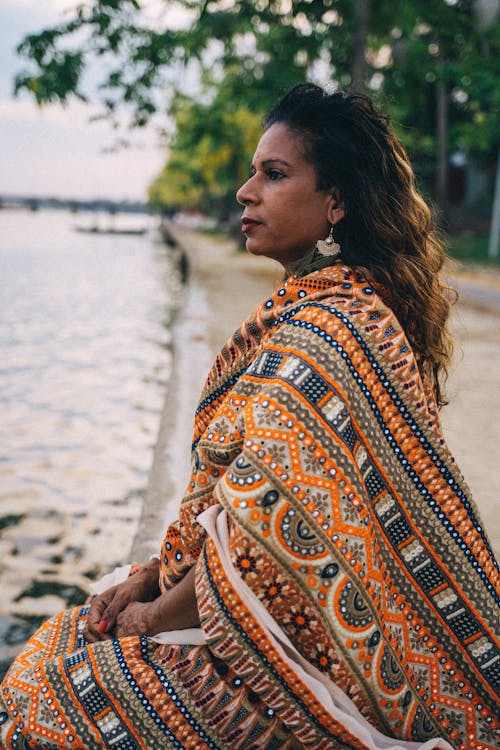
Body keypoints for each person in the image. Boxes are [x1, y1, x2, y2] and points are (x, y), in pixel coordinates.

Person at [1, 83, 498, 750]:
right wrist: (152, 574)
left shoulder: (335, 328)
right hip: (264, 620)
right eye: (253, 171)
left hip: (302, 669)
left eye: (273, 174)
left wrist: (151, 613)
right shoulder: (329, 307)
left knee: (50, 694)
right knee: (60, 645)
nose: (245, 191)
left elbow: (266, 528)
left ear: (336, 203)